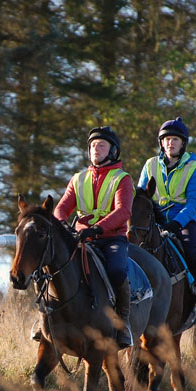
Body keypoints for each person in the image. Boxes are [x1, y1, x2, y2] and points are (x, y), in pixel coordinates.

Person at [53, 125, 135, 347]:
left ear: (113, 151)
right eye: (92, 146)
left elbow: (123, 211)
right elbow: (61, 208)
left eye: (101, 145)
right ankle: (48, 322)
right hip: (79, 239)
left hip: (111, 239)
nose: (95, 149)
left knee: (117, 271)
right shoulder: (78, 178)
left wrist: (97, 228)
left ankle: (123, 323)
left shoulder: (122, 178)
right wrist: (62, 225)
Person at [136, 116, 196, 321]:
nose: (170, 143)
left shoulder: (193, 168)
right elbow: (140, 195)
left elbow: (194, 203)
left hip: (183, 221)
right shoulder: (150, 164)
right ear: (161, 143)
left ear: (183, 144)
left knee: (192, 253)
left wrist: (176, 222)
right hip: (154, 220)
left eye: (175, 140)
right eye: (167, 139)